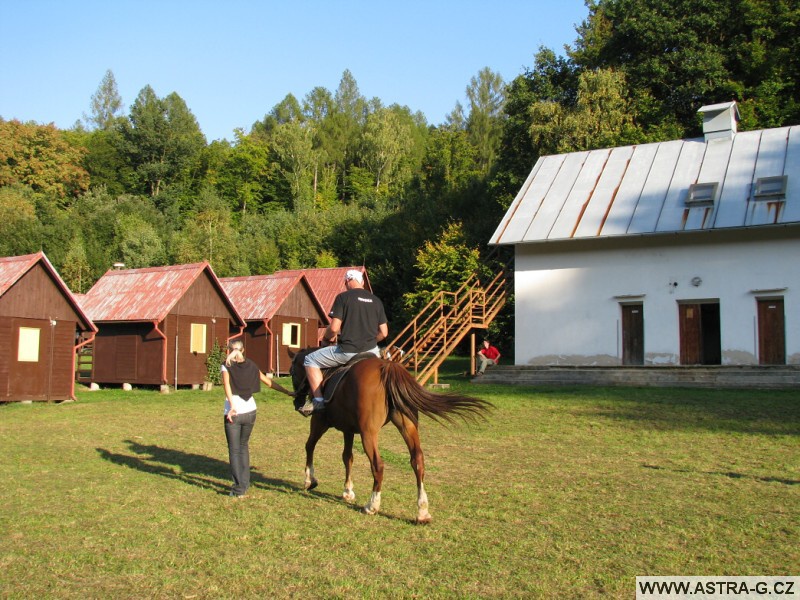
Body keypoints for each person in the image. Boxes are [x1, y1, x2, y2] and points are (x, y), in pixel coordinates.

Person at [299, 269, 388, 415]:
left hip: (348, 351)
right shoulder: (376, 301)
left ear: (346, 281)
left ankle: (318, 402)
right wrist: (371, 341)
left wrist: (327, 339)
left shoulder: (343, 297)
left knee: (310, 360)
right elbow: (384, 333)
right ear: (362, 282)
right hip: (372, 353)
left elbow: (334, 328)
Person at [222, 339, 293, 498]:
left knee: (234, 450)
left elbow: (227, 385)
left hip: (234, 413)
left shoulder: (226, 365)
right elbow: (268, 382)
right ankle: (244, 484)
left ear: (229, 350)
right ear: (243, 350)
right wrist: (287, 392)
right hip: (251, 411)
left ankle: (238, 489)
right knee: (243, 446)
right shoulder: (252, 365)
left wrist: (232, 406)